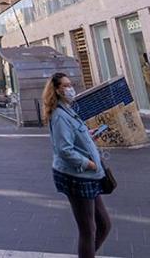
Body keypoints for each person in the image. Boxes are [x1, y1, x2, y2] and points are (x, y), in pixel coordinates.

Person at [46, 72, 112, 258]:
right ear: (57, 90)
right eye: (66, 86)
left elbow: (74, 137)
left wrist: (88, 135)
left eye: (70, 84)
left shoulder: (69, 110)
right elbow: (64, 150)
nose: (70, 88)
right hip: (77, 176)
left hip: (89, 176)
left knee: (104, 224)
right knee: (88, 229)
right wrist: (89, 164)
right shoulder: (59, 115)